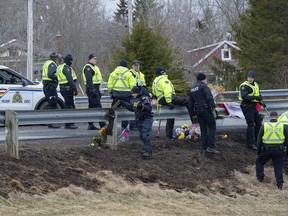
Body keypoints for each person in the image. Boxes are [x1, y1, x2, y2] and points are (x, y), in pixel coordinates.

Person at [152, 67, 194, 140]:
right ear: (163, 73)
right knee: (188, 101)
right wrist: (169, 102)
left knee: (170, 116)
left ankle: (169, 136)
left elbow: (154, 92)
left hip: (161, 99)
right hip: (168, 98)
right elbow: (167, 91)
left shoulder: (155, 81)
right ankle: (194, 119)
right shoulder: (164, 80)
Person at [256, 111, 288, 190]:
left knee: (259, 162)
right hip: (279, 150)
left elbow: (259, 140)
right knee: (278, 167)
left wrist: (259, 150)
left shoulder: (265, 125)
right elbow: (287, 139)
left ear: (270, 117)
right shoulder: (282, 126)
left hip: (267, 150)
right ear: (277, 117)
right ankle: (280, 184)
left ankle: (260, 178)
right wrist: (284, 148)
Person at [189, 73, 220, 154]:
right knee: (212, 126)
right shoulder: (203, 86)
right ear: (203, 79)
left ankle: (204, 146)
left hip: (198, 110)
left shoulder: (192, 88)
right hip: (205, 109)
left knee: (203, 128)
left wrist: (193, 114)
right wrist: (214, 107)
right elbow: (209, 97)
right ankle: (211, 147)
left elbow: (190, 103)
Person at [121, 86, 153, 158]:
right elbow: (132, 108)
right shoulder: (133, 99)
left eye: (133, 93)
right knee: (142, 135)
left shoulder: (144, 98)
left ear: (137, 93)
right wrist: (124, 104)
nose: (132, 95)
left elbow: (149, 108)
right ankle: (146, 149)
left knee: (145, 135)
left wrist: (141, 106)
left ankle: (148, 151)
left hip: (146, 118)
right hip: (139, 119)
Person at [239, 70, 266, 150]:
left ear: (254, 78)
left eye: (251, 77)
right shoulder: (244, 86)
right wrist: (255, 98)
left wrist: (261, 102)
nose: (250, 79)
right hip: (247, 106)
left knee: (258, 123)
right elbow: (245, 97)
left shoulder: (256, 85)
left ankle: (258, 141)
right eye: (249, 77)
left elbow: (259, 95)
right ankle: (250, 143)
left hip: (253, 106)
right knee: (251, 124)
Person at [108, 59, 135, 130]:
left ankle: (111, 127)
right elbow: (133, 85)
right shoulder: (129, 74)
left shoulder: (113, 73)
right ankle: (124, 127)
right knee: (126, 111)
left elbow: (110, 85)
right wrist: (133, 93)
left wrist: (111, 91)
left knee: (113, 111)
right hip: (126, 95)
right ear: (126, 66)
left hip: (116, 95)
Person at [82, 53, 106, 130]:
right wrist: (93, 90)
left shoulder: (95, 67)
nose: (96, 60)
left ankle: (90, 124)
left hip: (95, 88)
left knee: (91, 107)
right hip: (92, 89)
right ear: (90, 59)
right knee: (98, 106)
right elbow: (89, 80)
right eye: (94, 59)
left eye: (96, 58)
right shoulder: (88, 68)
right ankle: (103, 124)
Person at [56, 54, 78, 129]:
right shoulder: (66, 68)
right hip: (67, 88)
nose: (71, 62)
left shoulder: (60, 67)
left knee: (69, 105)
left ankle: (69, 122)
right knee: (69, 106)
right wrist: (75, 88)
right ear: (69, 61)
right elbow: (70, 79)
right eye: (71, 61)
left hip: (63, 88)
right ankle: (68, 124)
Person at [42, 52, 61, 128]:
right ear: (54, 58)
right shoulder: (52, 64)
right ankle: (51, 122)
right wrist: (57, 78)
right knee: (53, 104)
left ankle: (50, 122)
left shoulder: (46, 63)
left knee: (51, 103)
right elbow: (51, 74)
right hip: (50, 86)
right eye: (56, 58)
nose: (57, 60)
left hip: (47, 86)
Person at [129, 60, 147, 131]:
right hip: (134, 93)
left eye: (138, 65)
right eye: (135, 65)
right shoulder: (130, 73)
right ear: (132, 66)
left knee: (139, 109)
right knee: (135, 108)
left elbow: (143, 84)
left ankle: (137, 124)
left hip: (140, 93)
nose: (137, 67)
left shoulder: (141, 74)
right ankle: (132, 125)